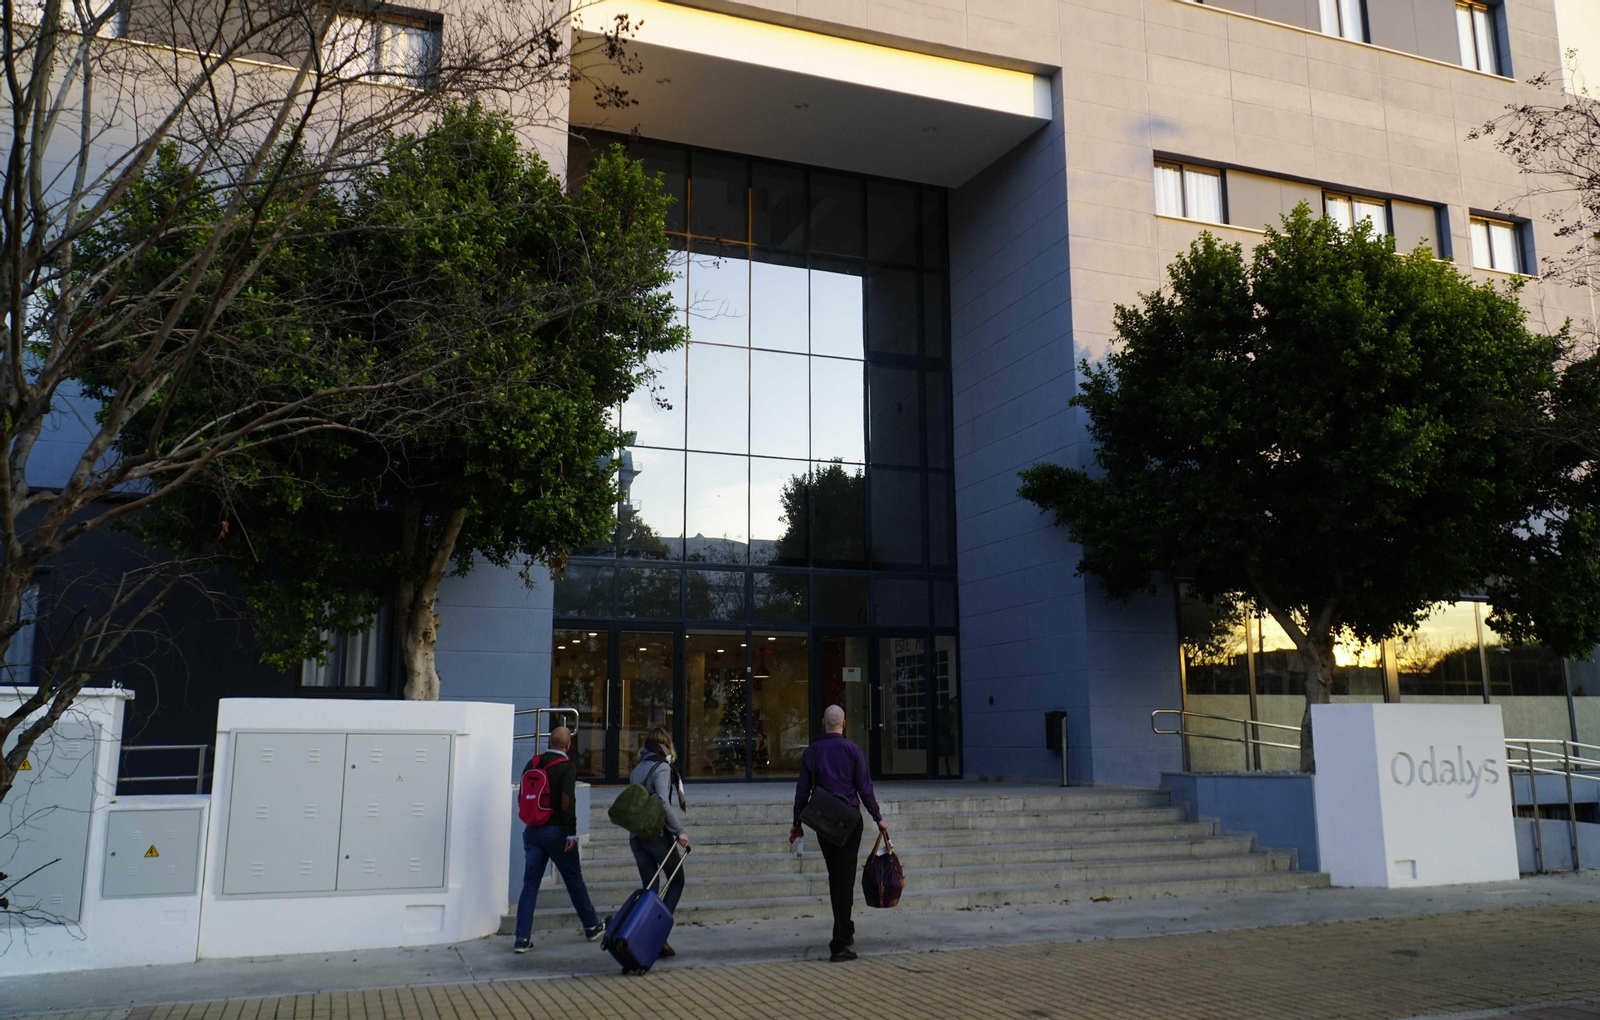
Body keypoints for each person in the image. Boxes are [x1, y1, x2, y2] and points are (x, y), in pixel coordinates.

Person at [791, 704, 888, 963]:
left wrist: (796, 822)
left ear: (824, 723)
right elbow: (864, 789)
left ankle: (845, 928)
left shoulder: (812, 752)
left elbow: (802, 791)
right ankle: (840, 941)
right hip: (849, 821)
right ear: (843, 724)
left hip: (824, 821)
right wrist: (878, 818)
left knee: (837, 876)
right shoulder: (853, 751)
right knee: (844, 879)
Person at [512, 726, 604, 953]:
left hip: (532, 831)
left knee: (529, 885)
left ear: (549, 742)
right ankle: (592, 926)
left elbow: (523, 796)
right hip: (556, 831)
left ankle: (522, 940)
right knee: (573, 879)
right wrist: (571, 833)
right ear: (568, 745)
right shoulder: (566, 767)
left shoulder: (532, 763)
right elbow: (567, 802)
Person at [628, 726, 690, 957]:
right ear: (665, 745)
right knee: (677, 880)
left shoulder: (637, 769)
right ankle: (658, 935)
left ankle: (638, 937)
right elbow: (663, 802)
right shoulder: (662, 768)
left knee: (650, 890)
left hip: (637, 837)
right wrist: (679, 831)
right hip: (656, 837)